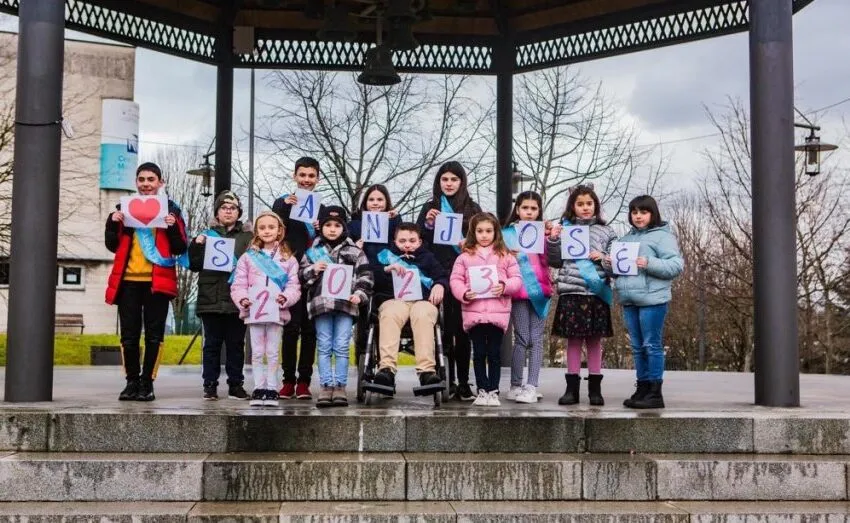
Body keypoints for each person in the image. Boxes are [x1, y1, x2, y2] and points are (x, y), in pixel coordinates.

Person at [104, 162, 188, 402]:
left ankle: (147, 382)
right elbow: (112, 245)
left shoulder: (171, 211)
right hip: (128, 282)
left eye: (151, 179)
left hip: (156, 283)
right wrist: (113, 223)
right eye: (141, 179)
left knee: (154, 336)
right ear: (136, 182)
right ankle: (131, 381)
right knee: (129, 336)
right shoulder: (123, 209)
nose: (146, 184)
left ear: (160, 182)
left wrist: (172, 227)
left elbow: (180, 247)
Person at [605, 195, 683, 409]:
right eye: (634, 212)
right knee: (637, 347)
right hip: (629, 300)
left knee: (651, 345)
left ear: (652, 214)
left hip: (652, 299)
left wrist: (648, 262)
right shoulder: (624, 239)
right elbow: (617, 273)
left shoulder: (663, 237)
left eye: (643, 212)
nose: (638, 216)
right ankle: (642, 388)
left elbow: (676, 266)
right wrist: (609, 264)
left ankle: (655, 393)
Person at [416, 161, 482, 401]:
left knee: (463, 332)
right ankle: (446, 379)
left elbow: (484, 237)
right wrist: (427, 224)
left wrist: (467, 241)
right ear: (439, 182)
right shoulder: (430, 207)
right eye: (445, 179)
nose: (449, 184)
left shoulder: (472, 208)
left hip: (464, 275)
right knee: (442, 330)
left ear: (462, 182)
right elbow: (417, 241)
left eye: (454, 179)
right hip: (438, 275)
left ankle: (463, 382)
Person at [547, 184, 617, 406]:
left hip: (596, 292)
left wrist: (603, 258)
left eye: (589, 203)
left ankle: (595, 390)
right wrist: (554, 240)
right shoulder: (564, 228)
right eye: (580, 204)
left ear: (596, 205)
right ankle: (572, 390)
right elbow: (555, 261)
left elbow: (615, 267)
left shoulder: (607, 231)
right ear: (572, 207)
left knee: (595, 341)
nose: (585, 208)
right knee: (574, 341)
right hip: (572, 291)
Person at [299, 206, 373, 407]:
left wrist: (359, 295)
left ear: (344, 228)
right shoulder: (313, 252)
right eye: (328, 225)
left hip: (346, 305)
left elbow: (366, 276)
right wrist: (313, 269)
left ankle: (340, 386)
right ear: (321, 227)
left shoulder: (355, 251)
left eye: (337, 225)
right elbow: (301, 276)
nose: (332, 229)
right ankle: (326, 386)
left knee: (341, 346)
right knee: (324, 346)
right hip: (321, 305)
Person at [449, 212, 521, 407]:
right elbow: (455, 280)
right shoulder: (464, 257)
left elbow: (517, 279)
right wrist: (464, 293)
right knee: (479, 353)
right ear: (473, 232)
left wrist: (504, 286)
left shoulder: (505, 256)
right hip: (474, 314)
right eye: (479, 231)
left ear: (496, 232)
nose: (484, 235)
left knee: (494, 354)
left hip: (498, 315)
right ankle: (482, 390)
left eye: (488, 231)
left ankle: (493, 390)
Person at [230, 211, 301, 407]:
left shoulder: (288, 258)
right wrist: (242, 299)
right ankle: (258, 387)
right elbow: (238, 284)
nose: (267, 231)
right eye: (262, 228)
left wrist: (285, 298)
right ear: (256, 231)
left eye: (271, 227)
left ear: (279, 231)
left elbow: (294, 286)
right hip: (254, 311)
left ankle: (271, 388)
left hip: (276, 311)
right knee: (257, 351)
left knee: (272, 351)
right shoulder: (248, 258)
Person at [188, 190, 253, 400]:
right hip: (211, 298)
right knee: (211, 345)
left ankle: (236, 385)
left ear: (238, 212)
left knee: (236, 345)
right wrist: (196, 245)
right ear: (217, 212)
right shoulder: (206, 235)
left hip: (237, 299)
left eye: (232, 208)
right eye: (224, 208)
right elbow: (194, 265)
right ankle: (210, 385)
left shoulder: (249, 238)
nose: (228, 211)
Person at [271, 156, 327, 400]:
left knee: (310, 330)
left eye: (311, 175)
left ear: (318, 178)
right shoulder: (282, 202)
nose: (306, 180)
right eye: (302, 175)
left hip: (315, 274)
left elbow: (334, 235)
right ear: (294, 176)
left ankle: (304, 381)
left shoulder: (323, 209)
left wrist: (321, 226)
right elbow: (273, 231)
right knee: (291, 329)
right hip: (291, 274)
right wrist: (285, 208)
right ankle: (287, 381)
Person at [371, 223, 448, 391]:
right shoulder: (386, 256)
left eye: (412, 241)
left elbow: (441, 276)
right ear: (395, 242)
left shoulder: (428, 258)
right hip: (395, 300)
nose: (407, 244)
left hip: (422, 301)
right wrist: (386, 269)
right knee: (390, 314)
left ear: (419, 242)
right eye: (402, 241)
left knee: (423, 315)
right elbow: (372, 278)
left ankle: (427, 371)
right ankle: (386, 369)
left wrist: (439, 285)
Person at [502, 191, 554, 404]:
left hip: (540, 292)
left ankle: (531, 386)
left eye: (534, 208)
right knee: (522, 338)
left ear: (539, 211)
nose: (529, 212)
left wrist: (551, 238)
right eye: (525, 208)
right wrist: (508, 255)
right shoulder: (506, 235)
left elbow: (553, 259)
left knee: (537, 339)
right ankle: (515, 385)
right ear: (517, 209)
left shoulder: (544, 234)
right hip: (518, 293)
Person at [347, 184, 401, 356]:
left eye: (380, 199)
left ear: (387, 202)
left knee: (384, 318)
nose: (375, 203)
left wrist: (395, 219)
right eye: (371, 199)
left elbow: (402, 243)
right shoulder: (354, 225)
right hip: (363, 277)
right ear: (365, 203)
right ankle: (363, 357)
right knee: (364, 319)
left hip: (386, 277)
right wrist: (355, 247)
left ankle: (385, 357)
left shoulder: (394, 223)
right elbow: (345, 249)